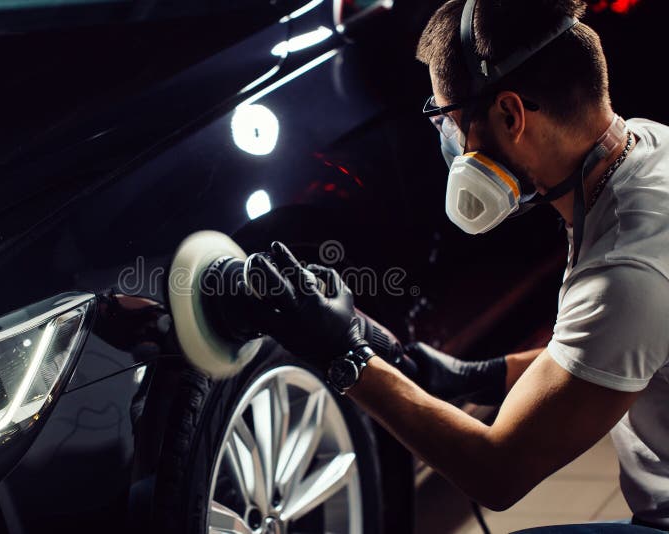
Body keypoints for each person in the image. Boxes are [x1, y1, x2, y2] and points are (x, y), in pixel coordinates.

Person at [241, 0, 669, 531]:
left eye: (451, 121)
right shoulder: (645, 150)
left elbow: (498, 473)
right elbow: (616, 352)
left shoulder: (627, 266)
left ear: (510, 115)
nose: (453, 146)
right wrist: (476, 377)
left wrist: (344, 357)